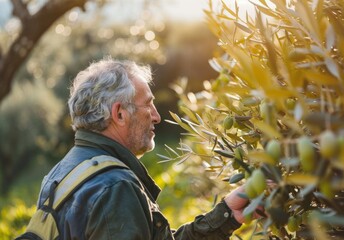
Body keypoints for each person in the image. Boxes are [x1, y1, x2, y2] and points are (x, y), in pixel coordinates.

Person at [35, 58, 263, 239]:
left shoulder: (63, 171)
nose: (157, 116)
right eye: (148, 104)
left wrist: (227, 214)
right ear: (120, 114)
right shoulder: (116, 186)